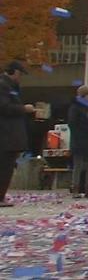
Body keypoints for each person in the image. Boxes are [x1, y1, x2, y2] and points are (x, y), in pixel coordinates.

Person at [0, 61, 35, 207]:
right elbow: (4, 107)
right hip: (5, 133)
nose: (21, 78)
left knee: (7, 165)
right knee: (4, 166)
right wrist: (23, 109)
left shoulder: (11, 87)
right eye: (20, 74)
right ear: (13, 72)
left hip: (9, 134)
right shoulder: (3, 86)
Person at [67, 84, 88, 198]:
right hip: (79, 139)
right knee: (78, 165)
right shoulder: (76, 107)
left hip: (86, 139)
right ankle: (76, 189)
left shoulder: (80, 107)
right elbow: (72, 124)